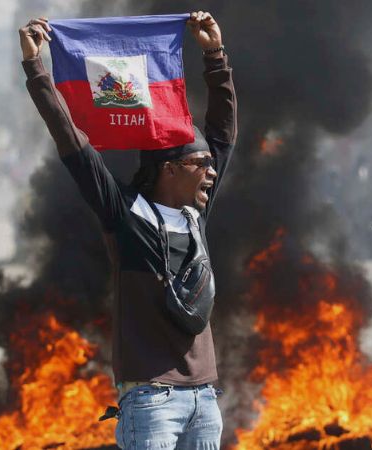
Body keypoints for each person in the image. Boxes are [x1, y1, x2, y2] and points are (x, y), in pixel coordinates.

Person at [20, 11, 236, 450]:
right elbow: (73, 142)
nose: (212, 172)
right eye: (201, 164)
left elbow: (224, 135)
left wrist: (215, 56)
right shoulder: (125, 213)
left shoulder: (195, 216)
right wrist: (36, 68)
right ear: (170, 169)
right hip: (152, 402)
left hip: (205, 400)